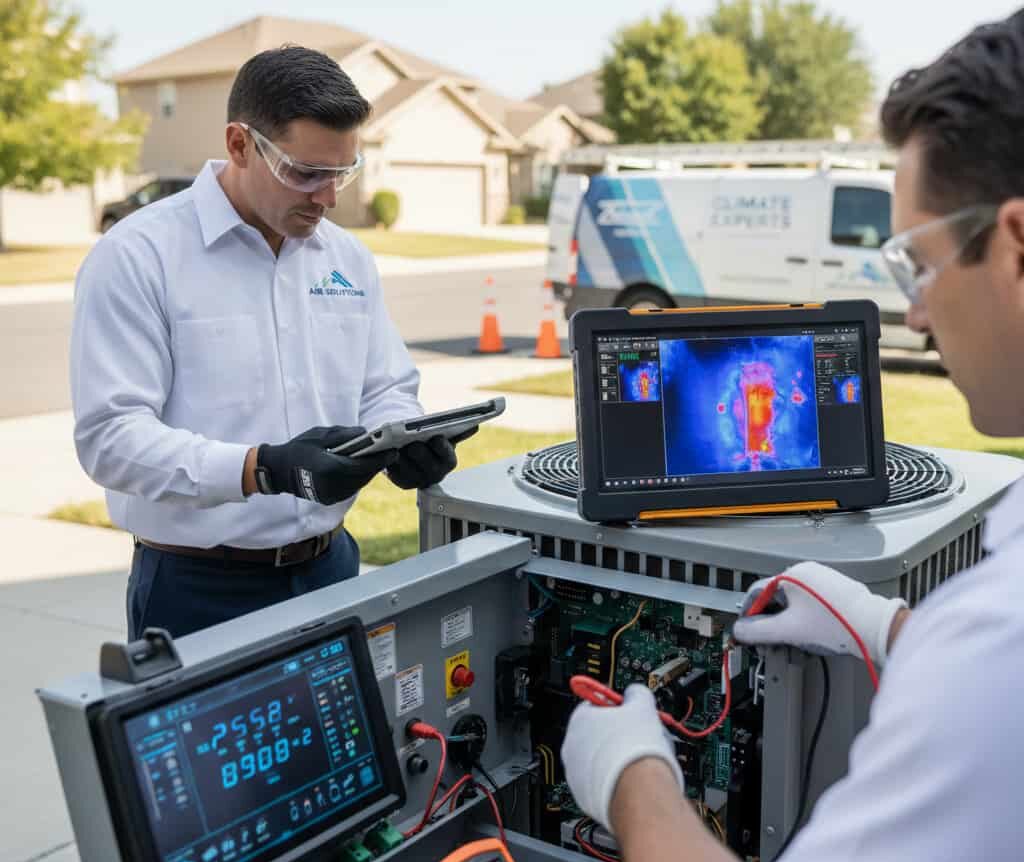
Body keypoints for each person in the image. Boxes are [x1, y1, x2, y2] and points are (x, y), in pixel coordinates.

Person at [561, 11, 1024, 860]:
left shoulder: (1001, 643)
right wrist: (887, 627)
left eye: (915, 262)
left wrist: (632, 776)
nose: (915, 313)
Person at [71, 47, 468, 640]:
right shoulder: (138, 256)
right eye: (306, 173)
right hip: (198, 588)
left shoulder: (347, 258)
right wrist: (262, 469)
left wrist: (403, 436)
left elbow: (384, 386)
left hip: (333, 567)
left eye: (341, 173)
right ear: (239, 144)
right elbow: (111, 440)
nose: (327, 198)